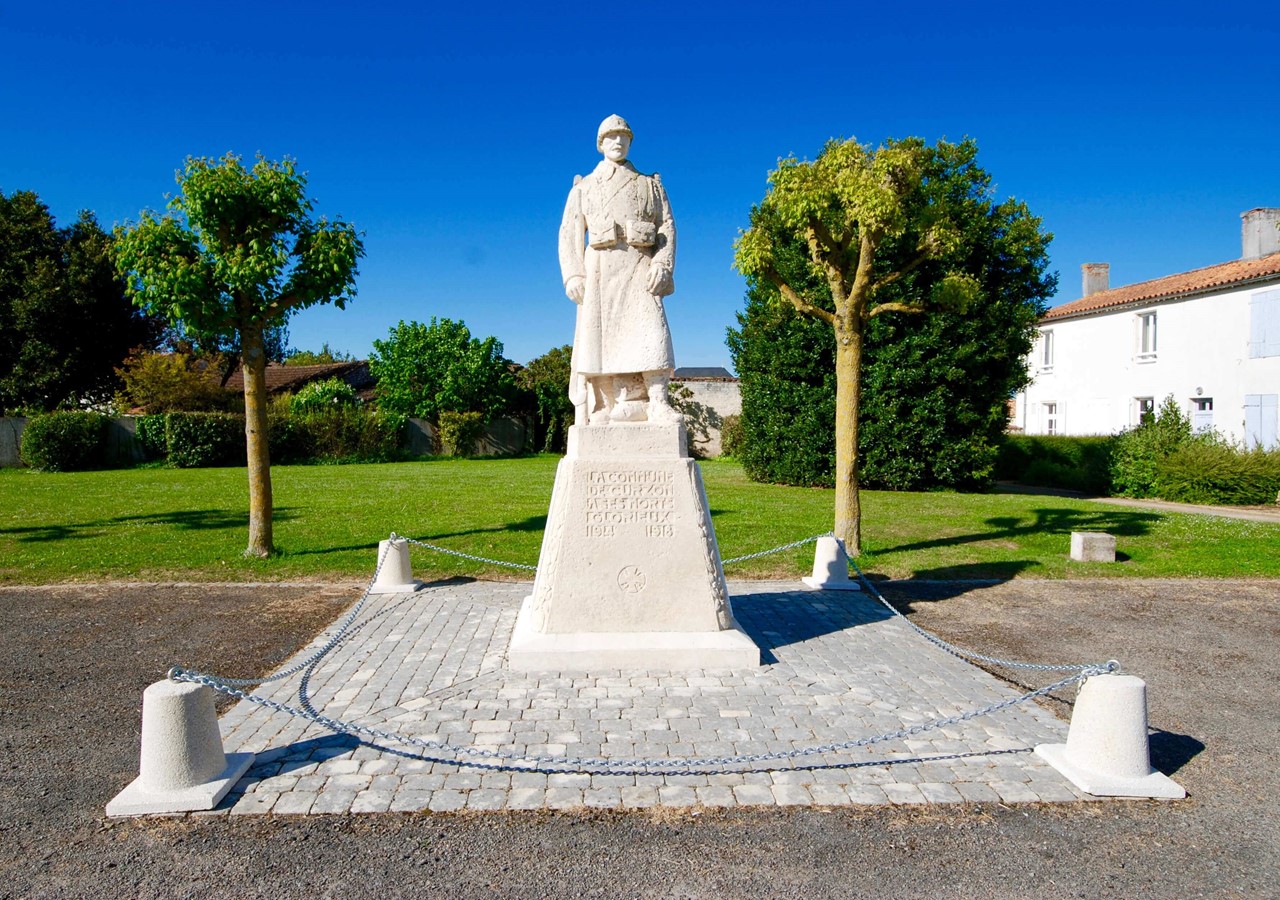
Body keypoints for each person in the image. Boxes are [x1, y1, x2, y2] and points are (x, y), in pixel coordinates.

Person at [559, 114, 680, 426]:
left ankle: (657, 402)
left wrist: (663, 264)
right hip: (599, 269)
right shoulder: (584, 188)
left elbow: (666, 228)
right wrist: (573, 274)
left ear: (630, 141)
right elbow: (569, 235)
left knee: (652, 330)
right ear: (600, 144)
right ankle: (604, 404)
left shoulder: (650, 185)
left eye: (622, 136)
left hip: (640, 265)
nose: (617, 142)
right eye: (610, 137)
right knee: (600, 338)